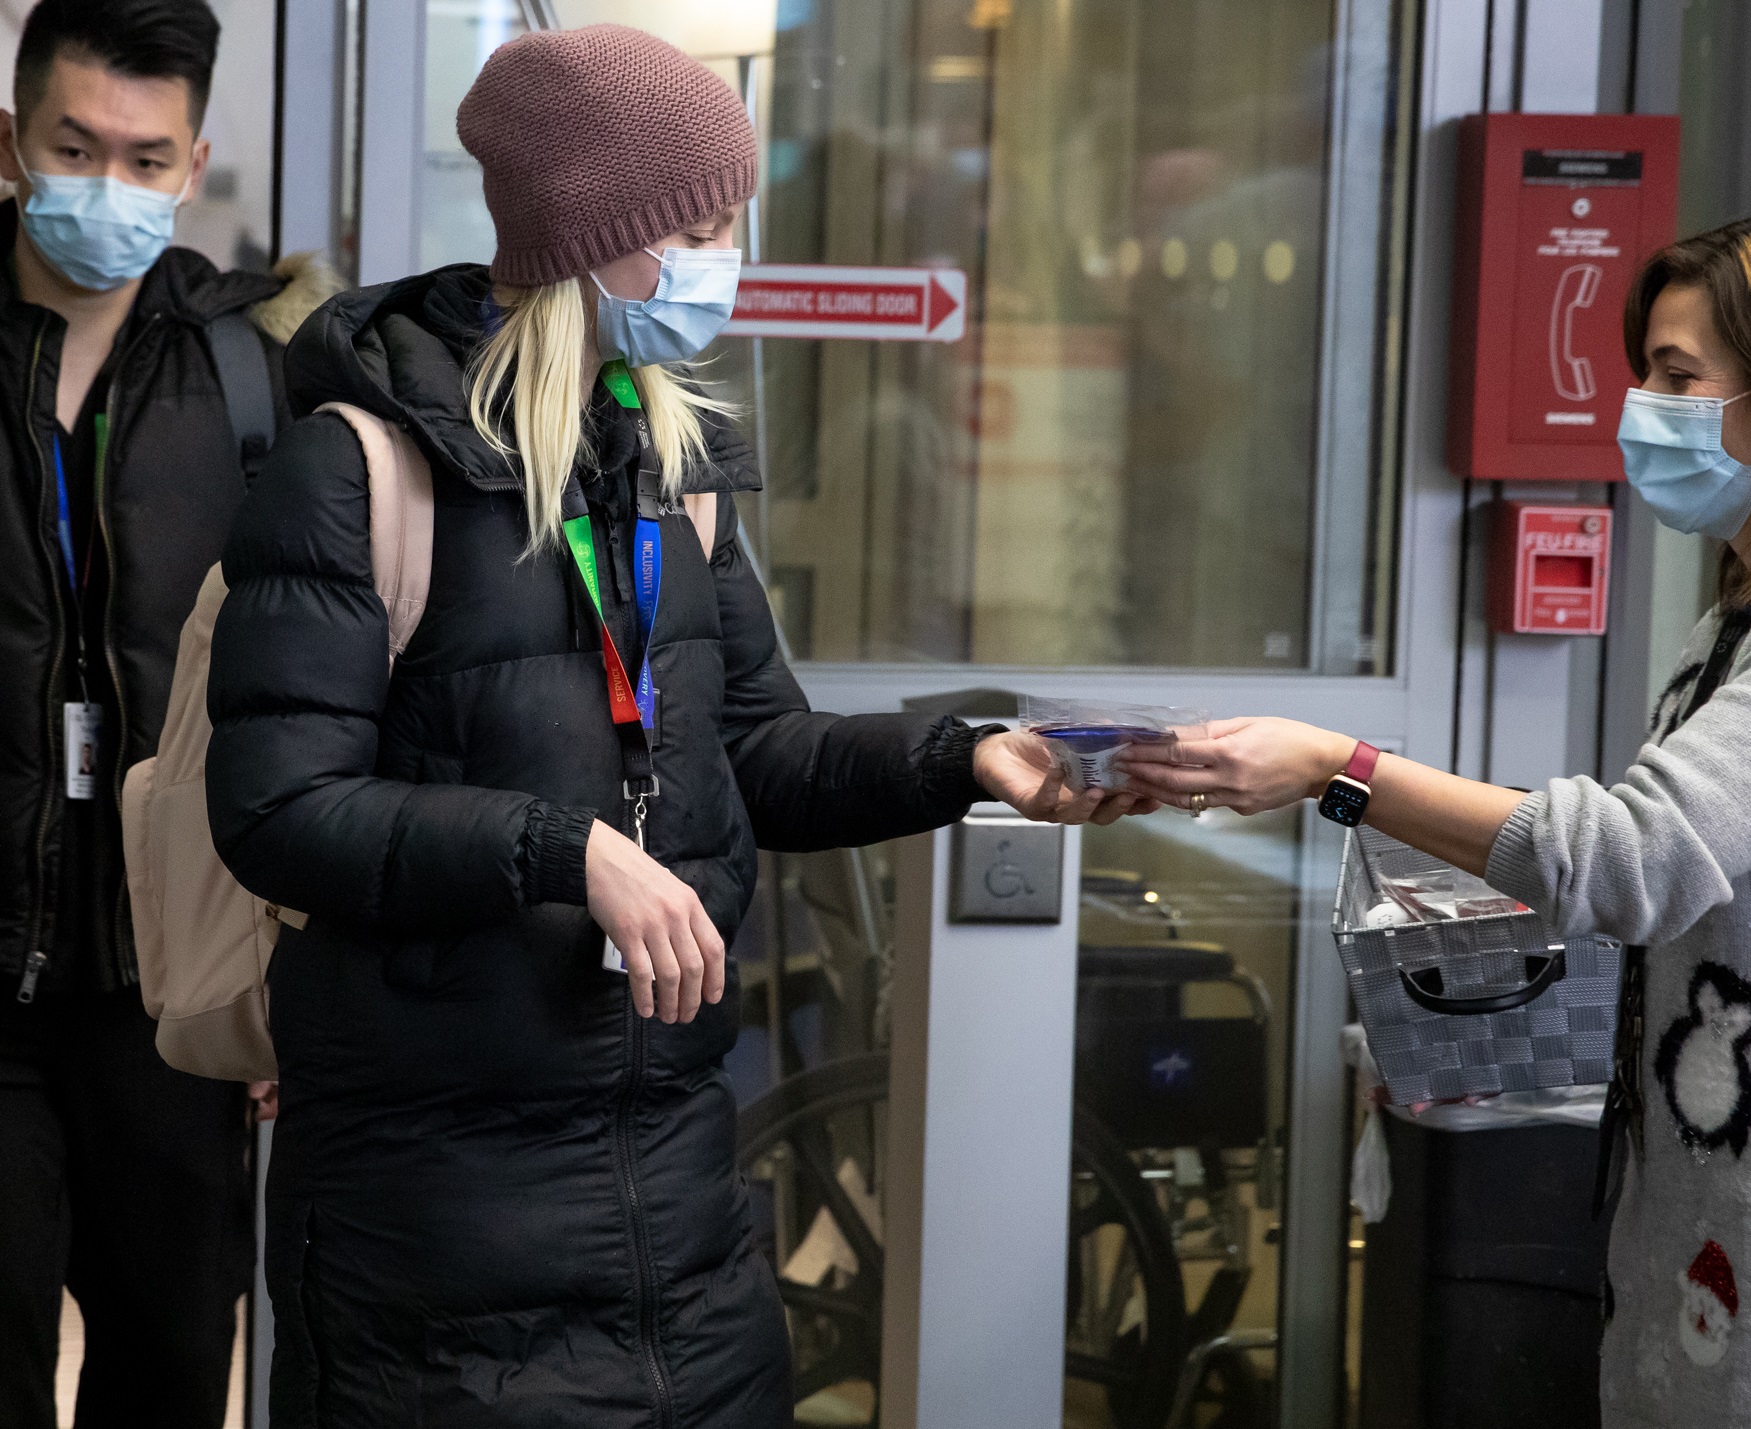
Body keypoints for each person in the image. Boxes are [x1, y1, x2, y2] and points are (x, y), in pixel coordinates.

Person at [202, 24, 1140, 1429]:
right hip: (440, 1235)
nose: (725, 262)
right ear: (589, 238)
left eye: (730, 224)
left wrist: (964, 756)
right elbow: (279, 811)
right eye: (695, 227)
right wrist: (559, 850)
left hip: (683, 1223)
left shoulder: (666, 461)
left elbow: (762, 751)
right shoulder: (358, 472)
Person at [1122, 207, 1751, 1427]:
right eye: (1645, 370)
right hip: (1708, 1207)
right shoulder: (1748, 612)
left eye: (1678, 376)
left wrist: (1341, 764)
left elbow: (1631, 856)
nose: (1642, 405)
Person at [0, 3, 333, 1426]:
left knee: (172, 1375)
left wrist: (286, 977)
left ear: (194, 164)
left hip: (172, 1003)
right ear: (9, 143)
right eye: (76, 147)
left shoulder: (258, 372)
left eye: (145, 158)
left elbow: (316, 681)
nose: (108, 186)